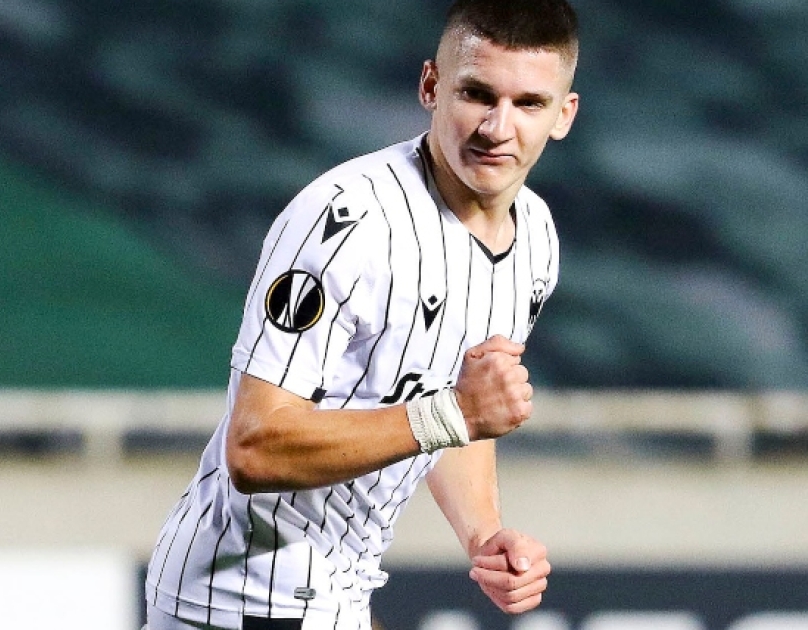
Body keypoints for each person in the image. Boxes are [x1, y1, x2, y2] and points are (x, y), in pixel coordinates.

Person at [144, 0, 580, 627]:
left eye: (529, 103)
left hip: (340, 591)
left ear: (563, 115)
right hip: (241, 596)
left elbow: (450, 408)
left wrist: (484, 535)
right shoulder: (347, 222)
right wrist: (455, 412)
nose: (497, 127)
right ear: (431, 86)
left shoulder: (535, 236)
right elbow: (254, 449)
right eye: (477, 94)